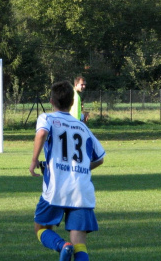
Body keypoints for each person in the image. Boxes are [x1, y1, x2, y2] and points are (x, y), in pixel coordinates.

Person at [29, 81, 105, 261]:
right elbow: (99, 158)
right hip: (81, 189)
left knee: (40, 228)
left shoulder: (47, 118)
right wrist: (79, 169)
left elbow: (41, 134)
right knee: (80, 241)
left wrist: (34, 160)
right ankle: (71, 246)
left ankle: (62, 245)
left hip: (56, 187)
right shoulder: (83, 127)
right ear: (72, 103)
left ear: (51, 101)